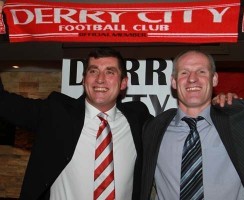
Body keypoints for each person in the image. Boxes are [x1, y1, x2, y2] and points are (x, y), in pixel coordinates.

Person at [140, 49, 244, 200]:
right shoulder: (153, 128)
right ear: (174, 82)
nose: (192, 78)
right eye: (184, 72)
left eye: (201, 71)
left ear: (214, 79)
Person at [0, 47, 153, 200]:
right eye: (93, 71)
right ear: (84, 79)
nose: (100, 79)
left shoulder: (138, 118)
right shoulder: (56, 113)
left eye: (110, 72)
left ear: (123, 83)